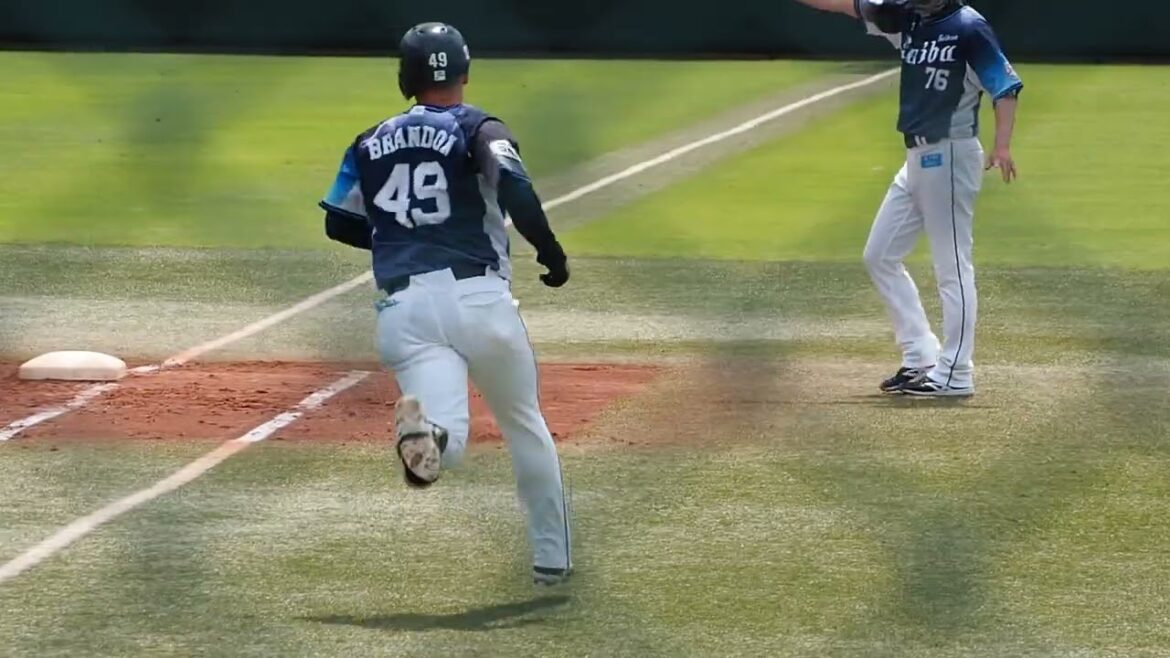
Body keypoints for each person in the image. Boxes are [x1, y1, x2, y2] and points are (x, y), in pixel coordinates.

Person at [319, 22, 572, 585]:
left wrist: (397, 236)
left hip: (405, 309)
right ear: (464, 71)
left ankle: (427, 437)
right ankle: (551, 559)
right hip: (479, 297)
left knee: (447, 439)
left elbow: (338, 222)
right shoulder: (478, 126)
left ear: (404, 77)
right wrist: (550, 251)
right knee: (523, 423)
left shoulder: (368, 141)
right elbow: (515, 186)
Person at [792, 0, 1023, 396]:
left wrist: (1002, 146)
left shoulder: (969, 26)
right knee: (879, 254)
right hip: (916, 158)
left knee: (952, 263)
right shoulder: (905, 15)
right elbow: (845, 5)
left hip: (951, 153)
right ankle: (921, 355)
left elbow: (1005, 87)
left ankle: (955, 373)